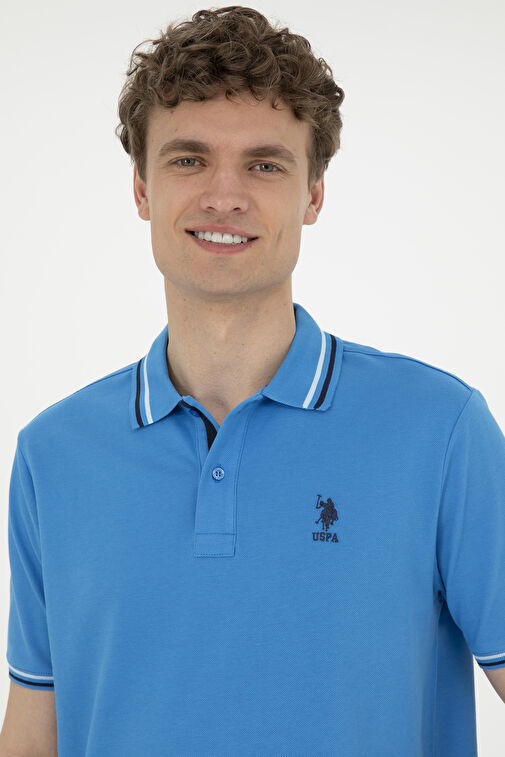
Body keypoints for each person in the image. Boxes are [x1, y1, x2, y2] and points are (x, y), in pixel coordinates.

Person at [1, 6, 505, 756]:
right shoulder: (54, 453)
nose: (224, 196)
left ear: (314, 194)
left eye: (265, 164)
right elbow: (35, 727)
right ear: (141, 189)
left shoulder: (440, 430)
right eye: (188, 160)